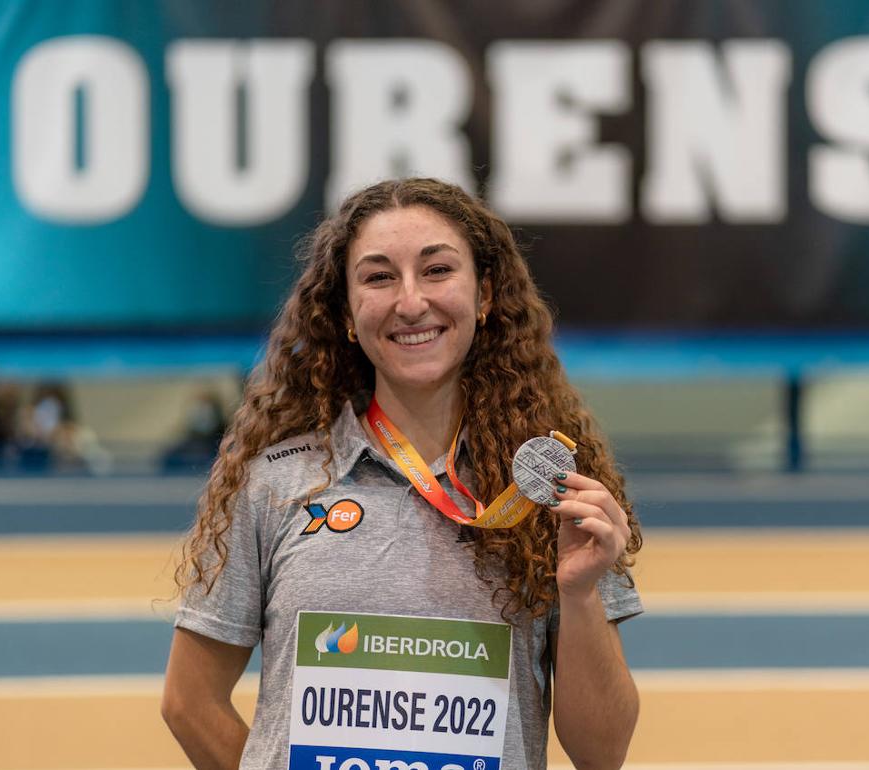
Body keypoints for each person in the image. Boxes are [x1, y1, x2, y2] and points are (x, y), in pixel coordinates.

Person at [162, 178, 644, 770]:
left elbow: (602, 753)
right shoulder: (275, 484)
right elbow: (189, 702)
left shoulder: (548, 491)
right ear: (346, 312)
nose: (411, 302)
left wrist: (580, 592)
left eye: (437, 270)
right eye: (379, 277)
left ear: (484, 294)